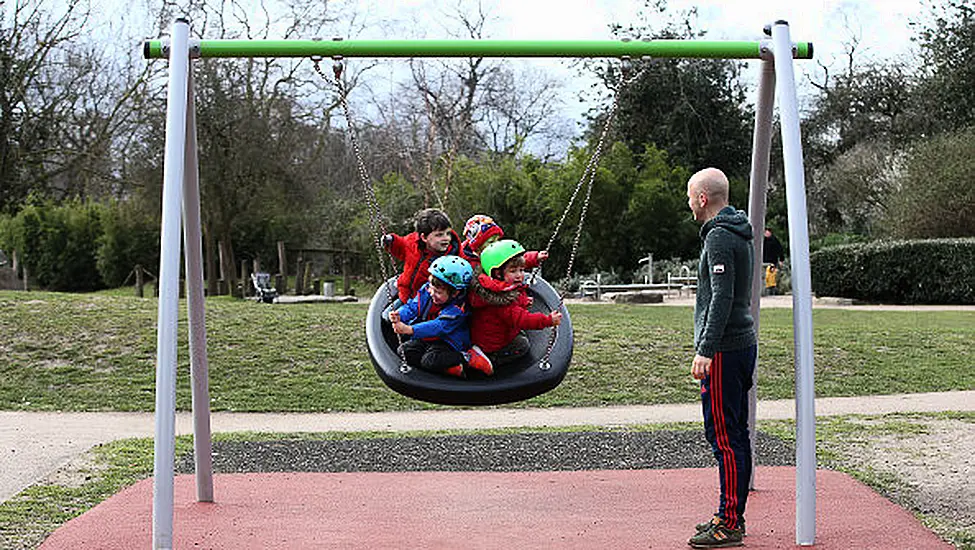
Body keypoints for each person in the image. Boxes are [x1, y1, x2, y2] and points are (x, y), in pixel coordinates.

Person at [685, 167, 757, 549]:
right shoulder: (739, 231)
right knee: (736, 435)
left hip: (726, 350)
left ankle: (730, 523)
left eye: (689, 196)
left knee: (725, 438)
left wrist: (706, 349)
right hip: (742, 344)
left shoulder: (718, 237)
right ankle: (730, 514)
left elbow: (722, 298)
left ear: (702, 198)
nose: (688, 204)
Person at [388, 255, 492, 377]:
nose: (432, 293)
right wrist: (399, 315)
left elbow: (439, 326)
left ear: (455, 292)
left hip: (448, 342)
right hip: (427, 338)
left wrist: (410, 330)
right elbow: (413, 307)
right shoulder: (427, 291)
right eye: (431, 287)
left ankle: (468, 357)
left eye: (438, 292)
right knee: (404, 351)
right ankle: (449, 367)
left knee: (430, 360)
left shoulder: (458, 308)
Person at [468, 239, 562, 367]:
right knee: (523, 345)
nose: (519, 275)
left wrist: (523, 302)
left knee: (520, 334)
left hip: (492, 334)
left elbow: (515, 299)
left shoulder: (496, 286)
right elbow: (523, 319)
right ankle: (489, 360)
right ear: (497, 273)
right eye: (513, 271)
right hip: (492, 345)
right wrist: (548, 320)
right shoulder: (500, 299)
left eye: (522, 270)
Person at [383, 208, 461, 306]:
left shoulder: (451, 258)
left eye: (448, 233)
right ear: (424, 237)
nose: (446, 238)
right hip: (405, 295)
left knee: (407, 319)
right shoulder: (412, 243)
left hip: (430, 303)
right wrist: (392, 242)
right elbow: (402, 246)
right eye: (439, 235)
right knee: (386, 316)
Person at [459, 214, 549, 270]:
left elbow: (513, 260)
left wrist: (535, 257)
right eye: (490, 242)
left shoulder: (496, 253)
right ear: (477, 246)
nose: (495, 244)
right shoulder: (467, 262)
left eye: (497, 240)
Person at [762, 228, 785, 296]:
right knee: (765, 276)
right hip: (764, 261)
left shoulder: (774, 241)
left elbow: (780, 250)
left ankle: (771, 291)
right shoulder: (763, 241)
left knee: (771, 276)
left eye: (767, 232)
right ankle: (765, 291)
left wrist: (781, 259)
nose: (766, 234)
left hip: (772, 261)